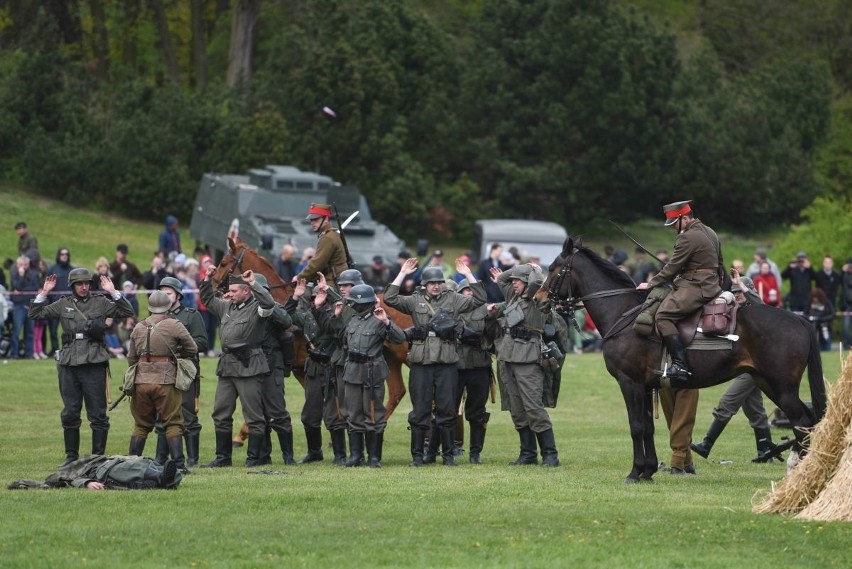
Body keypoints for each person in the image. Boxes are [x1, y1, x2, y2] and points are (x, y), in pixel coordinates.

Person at [29, 268, 135, 466]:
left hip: (94, 362)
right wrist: (44, 292)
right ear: (72, 286)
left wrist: (113, 292)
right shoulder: (63, 304)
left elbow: (127, 311)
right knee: (70, 411)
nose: (84, 287)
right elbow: (34, 314)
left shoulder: (100, 302)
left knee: (97, 413)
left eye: (87, 283)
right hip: (69, 362)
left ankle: (97, 457)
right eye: (80, 284)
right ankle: (71, 456)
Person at [385, 257, 485, 466]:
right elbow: (390, 297)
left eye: (439, 283)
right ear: (425, 285)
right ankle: (417, 456)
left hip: (446, 362)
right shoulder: (415, 300)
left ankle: (448, 456)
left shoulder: (453, 299)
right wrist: (402, 273)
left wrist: (468, 274)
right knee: (420, 411)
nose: (436, 286)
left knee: (447, 410)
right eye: (432, 283)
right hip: (421, 363)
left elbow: (480, 298)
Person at [690, 274, 780, 463]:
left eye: (740, 292)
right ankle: (765, 451)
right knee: (754, 409)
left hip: (754, 364)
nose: (737, 295)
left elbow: (761, 305)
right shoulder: (737, 309)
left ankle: (706, 445)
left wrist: (744, 287)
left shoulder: (756, 308)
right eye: (735, 292)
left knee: (727, 402)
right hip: (746, 364)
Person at [318, 283, 405, 467]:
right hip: (352, 371)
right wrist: (336, 317)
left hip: (371, 371)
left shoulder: (379, 318)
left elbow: (399, 338)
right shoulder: (353, 320)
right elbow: (340, 336)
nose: (354, 306)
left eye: (357, 303)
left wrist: (386, 322)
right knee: (353, 413)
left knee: (373, 414)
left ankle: (374, 457)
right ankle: (356, 456)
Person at [637, 200, 723, 386]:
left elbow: (672, 268)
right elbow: (720, 263)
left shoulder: (687, 237)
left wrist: (651, 284)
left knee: (663, 315)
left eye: (674, 223)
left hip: (696, 287)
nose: (673, 228)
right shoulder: (711, 232)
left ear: (684, 218)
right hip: (711, 284)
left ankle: (680, 365)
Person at [198, 269, 276, 467]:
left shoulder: (257, 308)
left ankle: (254, 458)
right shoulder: (226, 307)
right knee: (220, 412)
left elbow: (268, 303)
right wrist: (207, 279)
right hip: (227, 366)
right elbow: (207, 299)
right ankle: (223, 457)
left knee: (253, 415)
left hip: (249, 364)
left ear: (246, 291)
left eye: (234, 291)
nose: (229, 294)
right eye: (229, 291)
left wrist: (253, 283)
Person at [487, 263, 560, 467]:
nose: (513, 284)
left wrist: (532, 268)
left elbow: (538, 280)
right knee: (516, 408)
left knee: (533, 407)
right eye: (514, 281)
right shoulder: (513, 297)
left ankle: (550, 454)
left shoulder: (538, 298)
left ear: (527, 282)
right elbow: (501, 279)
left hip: (528, 357)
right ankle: (527, 453)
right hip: (507, 356)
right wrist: (518, 268)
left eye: (518, 281)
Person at [126, 291, 197, 472]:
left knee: (141, 425)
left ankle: (131, 463)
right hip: (165, 381)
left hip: (141, 382)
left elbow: (131, 358)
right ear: (167, 306)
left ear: (150, 307)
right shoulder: (174, 325)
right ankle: (179, 465)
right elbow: (193, 348)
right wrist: (176, 353)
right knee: (173, 422)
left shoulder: (138, 327)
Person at [301, 269, 364, 464]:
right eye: (342, 286)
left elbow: (336, 325)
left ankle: (342, 454)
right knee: (310, 415)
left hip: (336, 365)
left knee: (337, 413)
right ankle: (315, 452)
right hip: (315, 367)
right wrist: (305, 301)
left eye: (348, 286)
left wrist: (328, 293)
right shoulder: (315, 312)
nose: (344, 289)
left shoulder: (345, 309)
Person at [151, 277, 208, 468]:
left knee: (187, 416)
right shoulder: (155, 317)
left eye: (168, 293)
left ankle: (192, 459)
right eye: (162, 293)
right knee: (162, 415)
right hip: (161, 371)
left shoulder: (192, 316)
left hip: (184, 370)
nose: (165, 297)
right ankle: (161, 457)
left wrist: (179, 348)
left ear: (178, 295)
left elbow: (202, 342)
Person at [452, 278, 494, 464]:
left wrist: (481, 339)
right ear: (460, 294)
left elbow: (495, 336)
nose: (469, 293)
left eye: (472, 290)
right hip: (456, 367)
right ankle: (448, 449)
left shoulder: (487, 312)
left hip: (480, 366)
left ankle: (475, 453)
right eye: (465, 290)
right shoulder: (451, 311)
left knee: (477, 412)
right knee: (448, 409)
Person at [7, 454, 181, 491]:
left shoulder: (91, 460)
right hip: (108, 472)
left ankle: (165, 478)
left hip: (113, 465)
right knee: (133, 470)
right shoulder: (66, 473)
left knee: (144, 465)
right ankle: (162, 478)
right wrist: (87, 483)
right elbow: (66, 479)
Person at [293, 203, 347, 287]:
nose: (312, 223)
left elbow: (316, 265)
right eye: (311, 220)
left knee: (303, 295)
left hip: (333, 281)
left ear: (326, 219)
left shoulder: (328, 238)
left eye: (316, 219)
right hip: (333, 279)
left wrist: (299, 278)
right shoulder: (330, 234)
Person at [10, 255, 39, 359]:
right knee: (16, 331)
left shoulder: (33, 274)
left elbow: (35, 288)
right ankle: (14, 354)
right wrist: (21, 277)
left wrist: (22, 291)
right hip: (18, 306)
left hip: (30, 305)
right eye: (21, 264)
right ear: (17, 265)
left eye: (25, 264)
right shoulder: (14, 275)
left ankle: (29, 354)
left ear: (28, 264)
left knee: (30, 332)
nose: (23, 266)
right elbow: (16, 286)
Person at [46, 247, 74, 356]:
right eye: (62, 254)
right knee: (53, 329)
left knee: (69, 329)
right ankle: (55, 350)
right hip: (54, 304)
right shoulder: (52, 269)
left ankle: (69, 350)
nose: (64, 255)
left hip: (69, 304)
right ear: (59, 255)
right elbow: (47, 284)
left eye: (66, 254)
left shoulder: (71, 270)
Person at [841, 258, 852, 349]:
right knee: (846, 328)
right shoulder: (844, 275)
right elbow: (837, 280)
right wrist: (842, 271)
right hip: (847, 306)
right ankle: (846, 345)